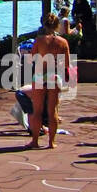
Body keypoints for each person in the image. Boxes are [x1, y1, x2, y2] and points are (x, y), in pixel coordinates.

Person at [26, 12, 72, 150]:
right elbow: (66, 64)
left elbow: (32, 57)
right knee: (53, 111)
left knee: (37, 110)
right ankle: (51, 142)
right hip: (54, 75)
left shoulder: (39, 40)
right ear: (57, 25)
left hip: (40, 75)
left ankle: (35, 141)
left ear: (44, 24)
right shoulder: (63, 42)